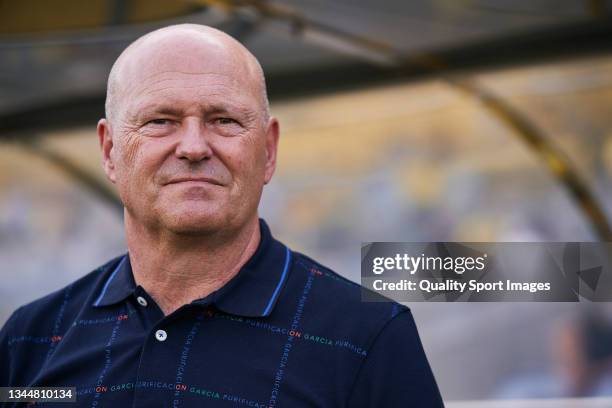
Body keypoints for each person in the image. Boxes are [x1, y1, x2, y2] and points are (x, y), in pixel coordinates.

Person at [0, 24, 443, 407]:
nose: (193, 147)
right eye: (160, 120)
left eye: (224, 120)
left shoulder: (367, 339)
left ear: (268, 151)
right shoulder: (31, 337)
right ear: (110, 151)